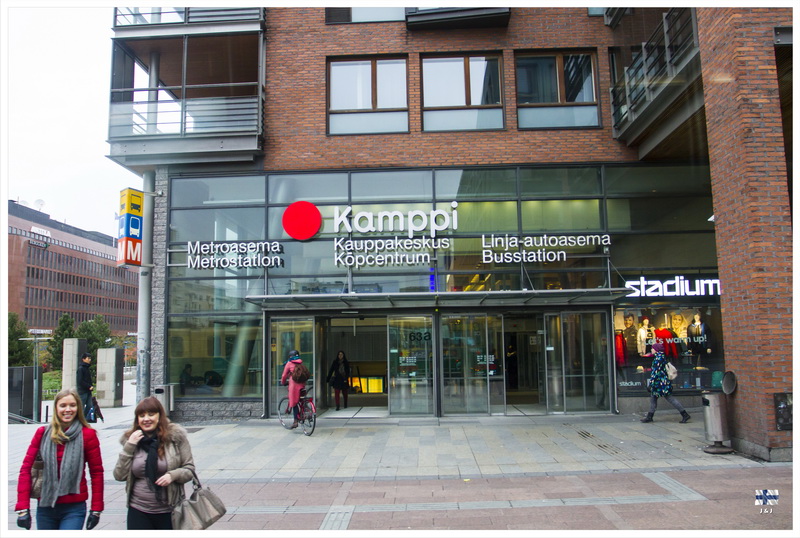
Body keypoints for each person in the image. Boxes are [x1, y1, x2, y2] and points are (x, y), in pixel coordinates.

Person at [15, 388, 104, 530]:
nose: (68, 409)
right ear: (56, 408)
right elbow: (26, 470)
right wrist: (23, 508)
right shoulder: (42, 434)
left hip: (74, 507)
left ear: (78, 408)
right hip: (45, 506)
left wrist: (96, 509)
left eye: (72, 405)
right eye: (63, 405)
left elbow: (97, 472)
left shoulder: (88, 435)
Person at [113, 396, 195, 530]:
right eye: (142, 416)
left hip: (170, 509)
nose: (146, 419)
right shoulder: (132, 440)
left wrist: (173, 475)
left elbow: (189, 469)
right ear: (137, 419)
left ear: (159, 416)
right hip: (138, 509)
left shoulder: (175, 438)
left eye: (151, 414)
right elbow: (119, 475)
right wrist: (129, 446)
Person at [641, 341, 691, 424]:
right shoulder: (661, 357)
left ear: (656, 350)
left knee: (669, 398)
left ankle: (684, 414)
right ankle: (649, 416)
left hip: (659, 384)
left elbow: (655, 373)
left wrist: (650, 384)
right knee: (653, 399)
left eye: (653, 348)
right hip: (661, 383)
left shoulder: (658, 359)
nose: (651, 350)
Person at [280, 350, 306, 428]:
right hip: (302, 384)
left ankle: (295, 421)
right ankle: (305, 412)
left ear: (290, 356)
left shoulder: (289, 363)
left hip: (294, 385)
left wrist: (283, 382)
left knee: (294, 402)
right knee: (301, 400)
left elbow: (284, 375)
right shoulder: (301, 362)